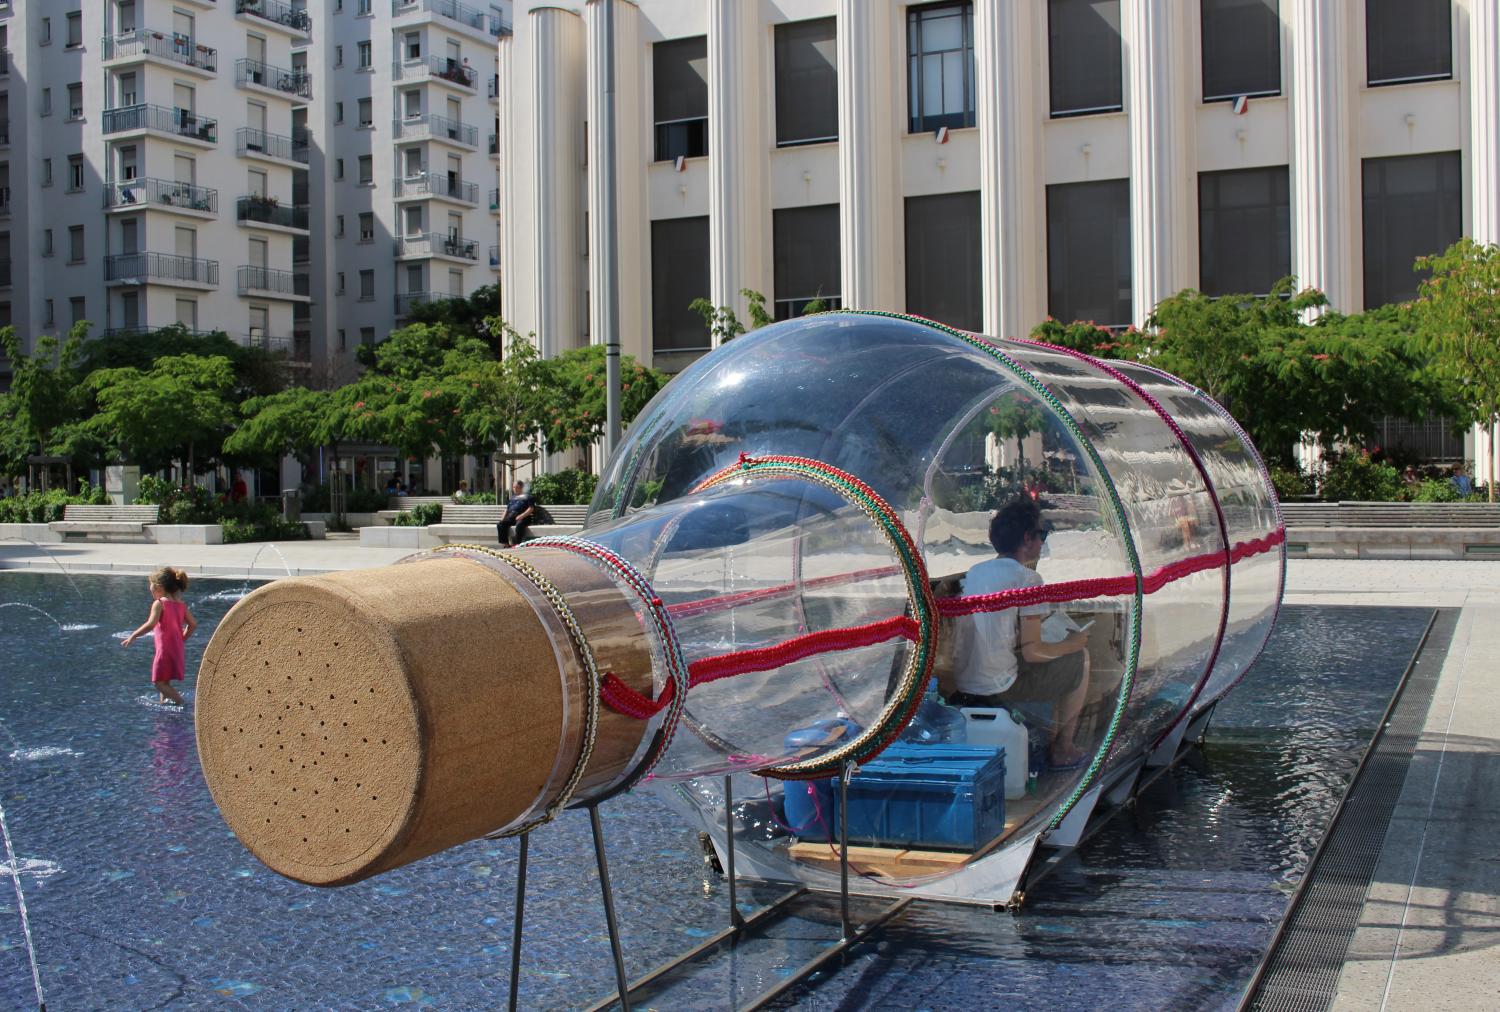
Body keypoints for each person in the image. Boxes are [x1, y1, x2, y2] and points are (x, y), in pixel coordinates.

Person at [947, 497, 1092, 769]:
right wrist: (1073, 644)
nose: (1043, 542)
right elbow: (1033, 652)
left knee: (1061, 656)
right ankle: (1063, 748)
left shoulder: (976, 572)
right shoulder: (1027, 579)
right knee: (1080, 660)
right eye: (1042, 534)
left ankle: (1051, 740)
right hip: (1001, 686)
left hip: (967, 681)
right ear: (1028, 539)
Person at [121, 567, 197, 707]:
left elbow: (151, 625)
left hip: (165, 650)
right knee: (165, 680)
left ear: (159, 587)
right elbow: (193, 624)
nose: (149, 589)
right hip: (177, 649)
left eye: (150, 585)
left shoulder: (160, 604)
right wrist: (181, 640)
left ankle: (182, 703)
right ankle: (164, 705)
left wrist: (134, 635)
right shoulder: (181, 605)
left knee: (158, 682)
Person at [496, 480, 537, 546]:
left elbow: (531, 508)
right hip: (512, 517)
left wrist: (522, 516)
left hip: (524, 518)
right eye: (513, 487)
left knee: (519, 525)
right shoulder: (513, 498)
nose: (514, 489)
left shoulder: (528, 497)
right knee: (500, 524)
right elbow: (507, 509)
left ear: (521, 488)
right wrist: (502, 519)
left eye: (516, 487)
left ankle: (518, 543)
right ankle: (506, 544)